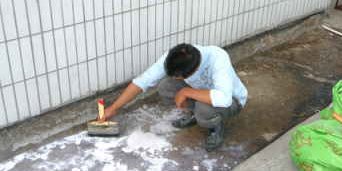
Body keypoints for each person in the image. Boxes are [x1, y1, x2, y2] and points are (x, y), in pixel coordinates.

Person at [99, 43, 247, 152]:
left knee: (204, 107)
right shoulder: (177, 57)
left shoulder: (218, 58)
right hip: (200, 92)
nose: (176, 77)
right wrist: (113, 108)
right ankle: (197, 113)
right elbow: (143, 81)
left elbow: (224, 98)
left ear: (195, 69)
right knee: (166, 85)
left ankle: (214, 125)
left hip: (233, 101)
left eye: (180, 75)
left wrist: (186, 92)